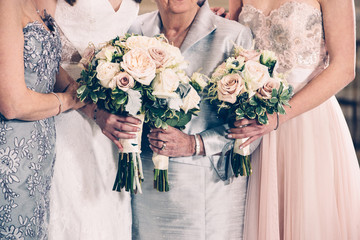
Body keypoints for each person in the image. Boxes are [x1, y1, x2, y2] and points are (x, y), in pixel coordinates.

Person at [226, 0, 360, 239]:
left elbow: (344, 68)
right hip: (255, 125)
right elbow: (234, 41)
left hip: (307, 125)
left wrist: (277, 117)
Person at [128, 0, 253, 239]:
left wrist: (195, 143)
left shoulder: (234, 36)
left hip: (209, 192)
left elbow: (251, 129)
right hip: (145, 190)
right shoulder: (133, 32)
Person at [48, 0, 141, 239]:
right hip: (67, 112)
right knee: (74, 212)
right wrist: (93, 111)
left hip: (112, 124)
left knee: (109, 213)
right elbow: (44, 54)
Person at [0, 0, 84, 239]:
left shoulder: (43, 2)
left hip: (40, 152)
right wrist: (67, 100)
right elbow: (12, 104)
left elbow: (45, 65)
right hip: (9, 153)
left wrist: (82, 91)